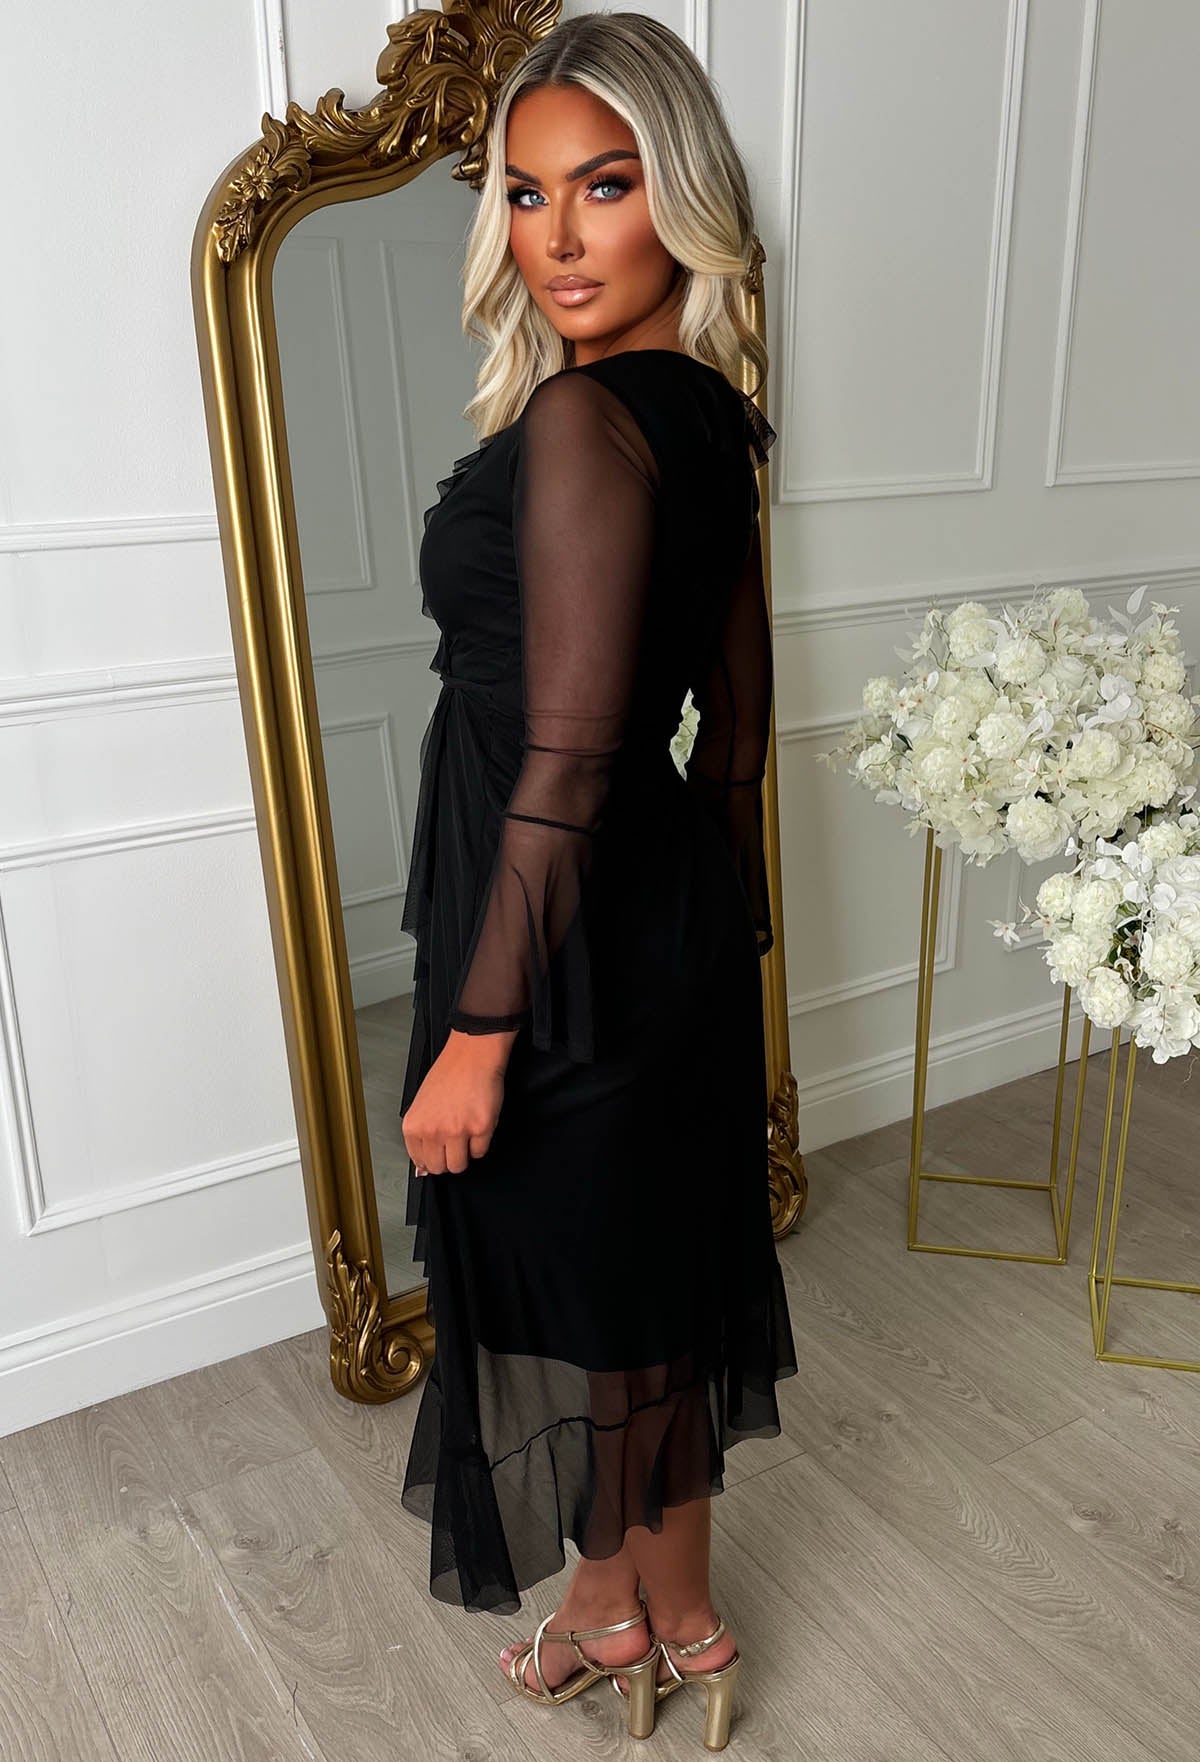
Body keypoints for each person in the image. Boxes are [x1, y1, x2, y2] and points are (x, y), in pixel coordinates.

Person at [398, 12, 798, 1748]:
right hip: (654, 919)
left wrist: (484, 1033)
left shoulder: (583, 422)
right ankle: (659, 1611)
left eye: (607, 187)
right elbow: (739, 730)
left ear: (679, 198)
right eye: (526, 191)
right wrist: (708, 942)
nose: (558, 236)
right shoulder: (716, 417)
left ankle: (618, 1608)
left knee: (576, 1272)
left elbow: (562, 767)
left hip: (549, 926)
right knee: (648, 1284)